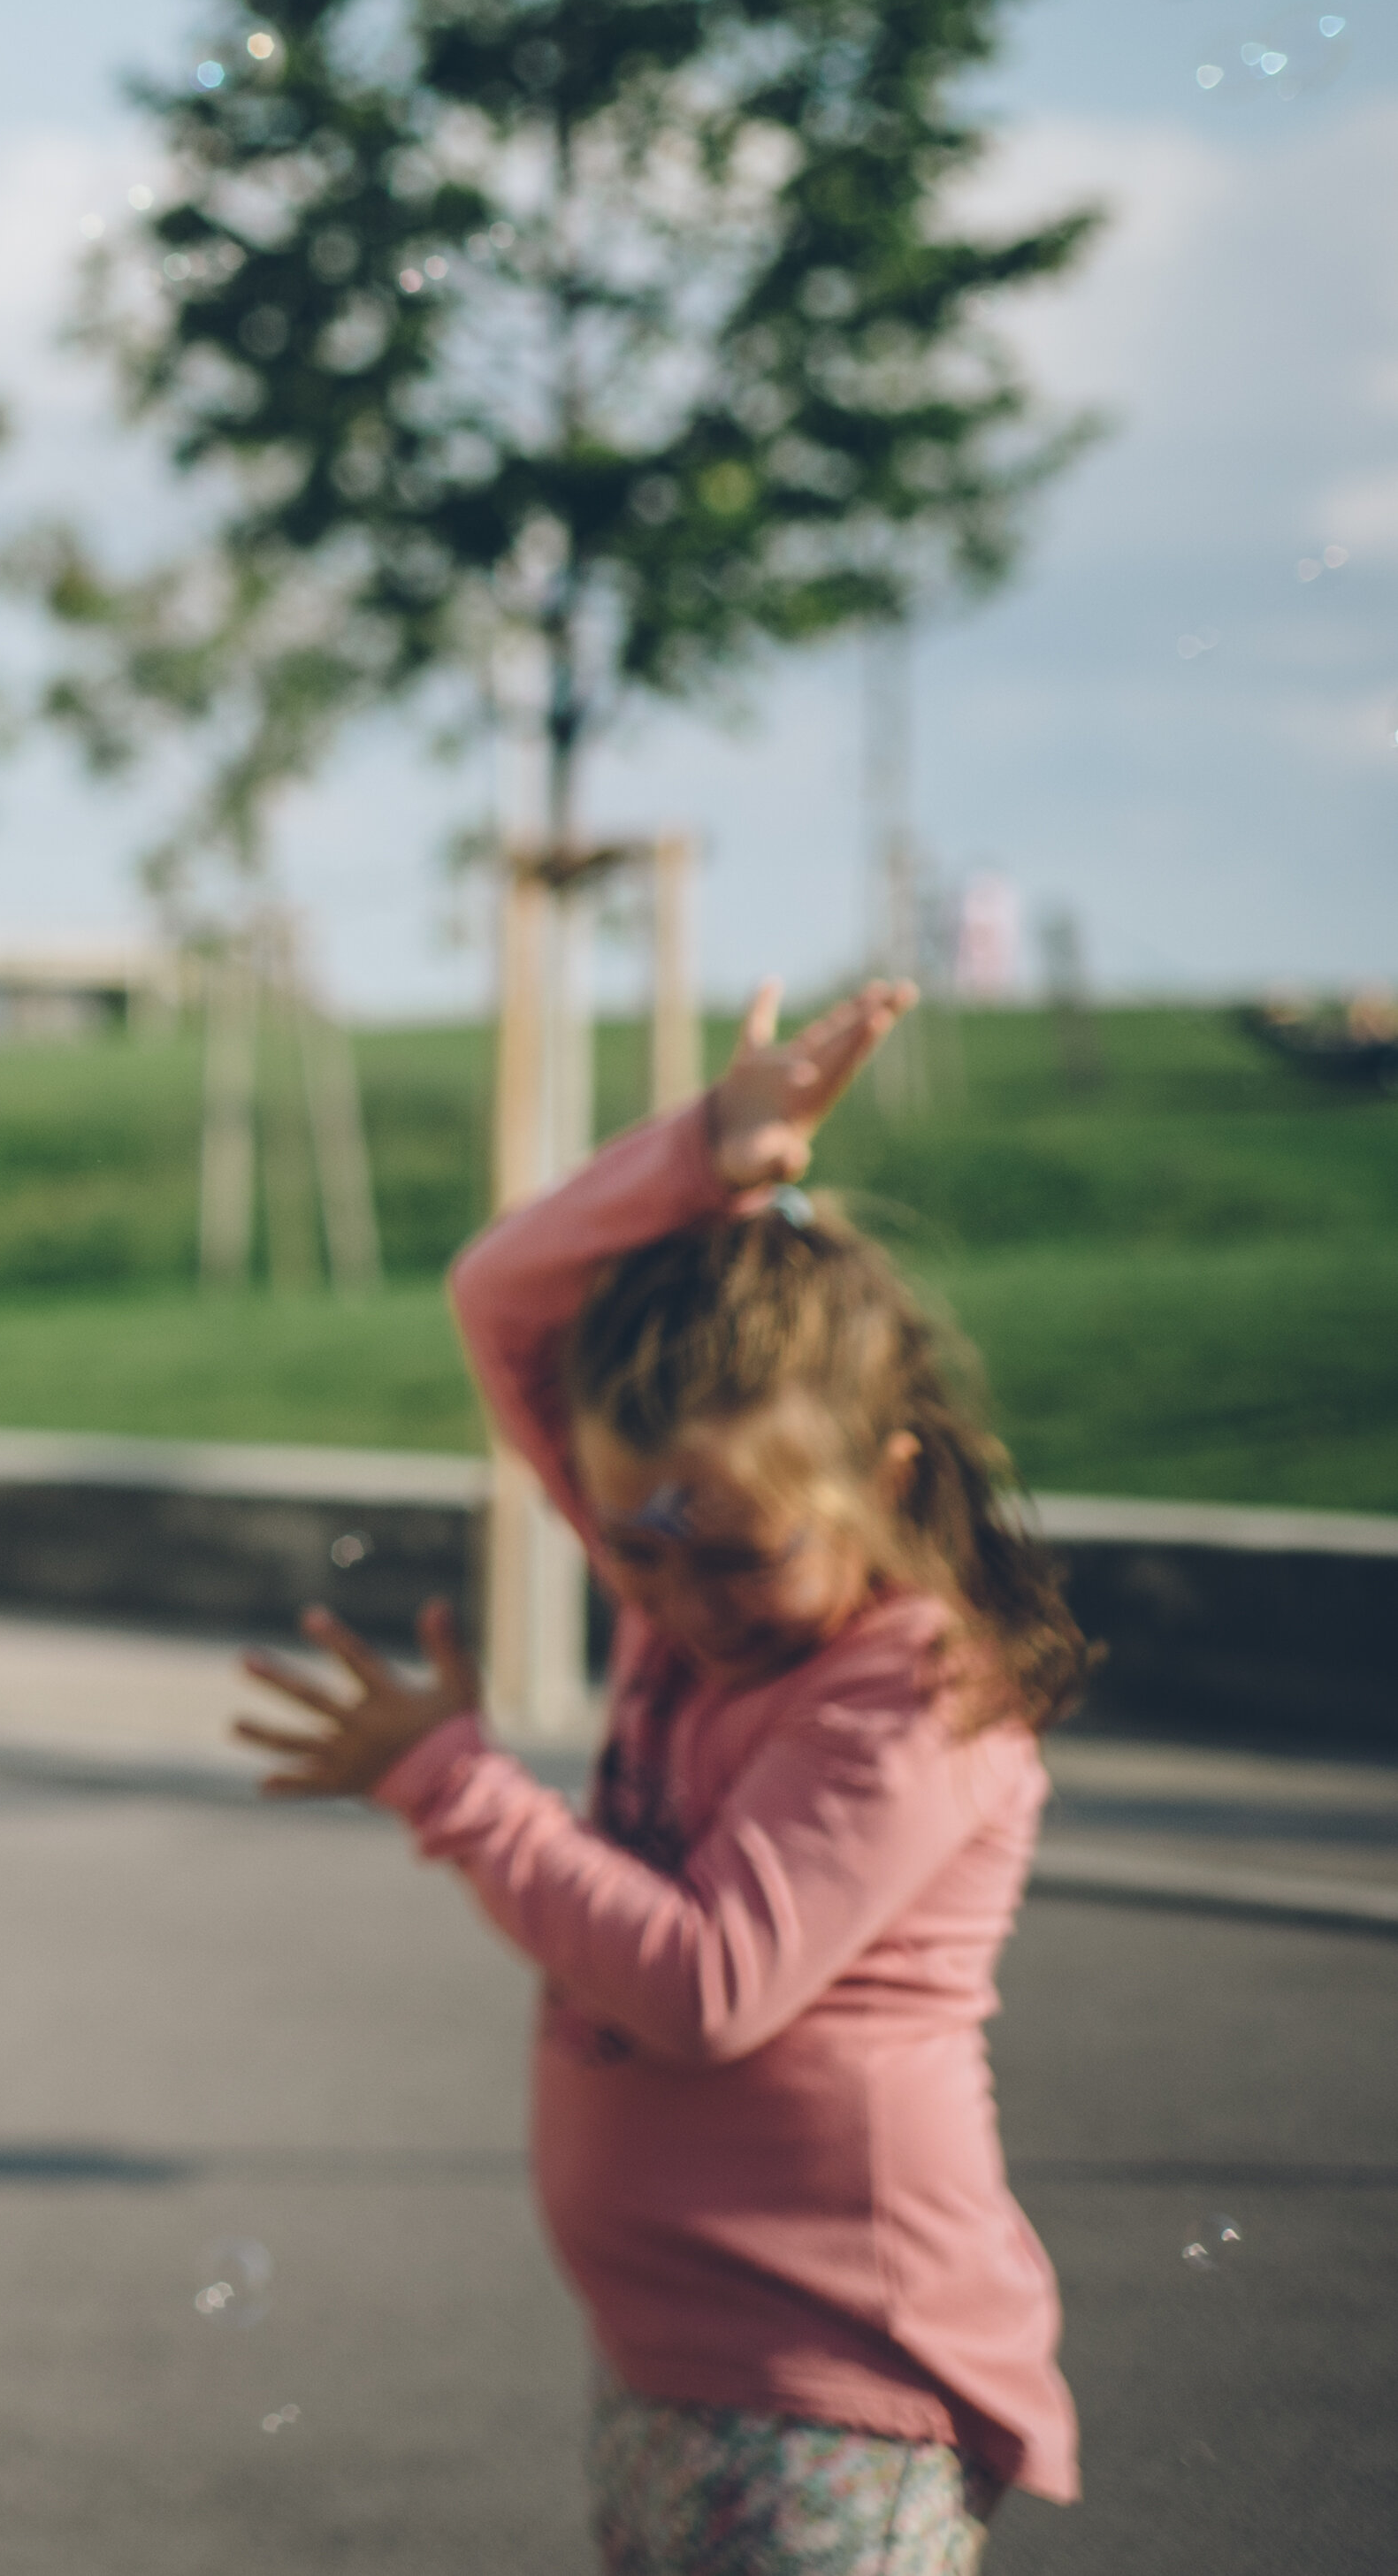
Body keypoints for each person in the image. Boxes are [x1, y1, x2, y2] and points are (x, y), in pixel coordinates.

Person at [234, 979, 1083, 2573]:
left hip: (842, 2385)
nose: (680, 1599)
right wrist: (708, 1155)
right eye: (635, 1550)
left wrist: (457, 1784)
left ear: (885, 1475)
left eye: (742, 1554)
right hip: (678, 2365)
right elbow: (500, 1294)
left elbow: (707, 1980)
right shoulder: (694, 1592)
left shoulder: (913, 1691)